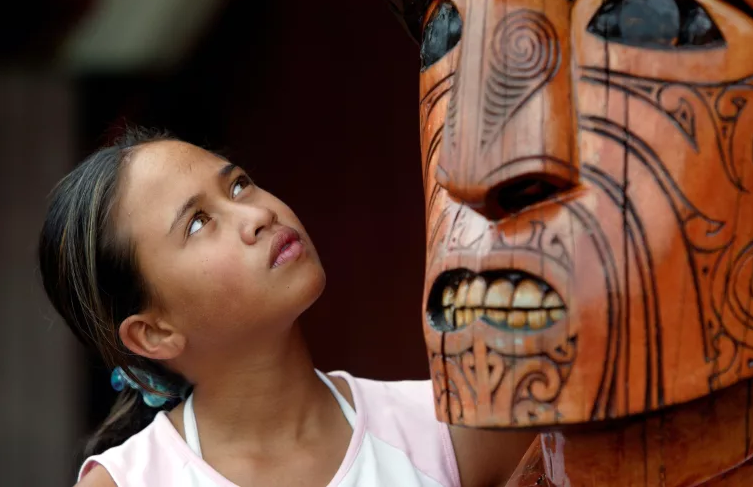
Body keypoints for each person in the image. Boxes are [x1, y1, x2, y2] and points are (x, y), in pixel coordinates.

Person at [38, 127, 534, 487]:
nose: (257, 214)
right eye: (196, 223)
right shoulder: (130, 483)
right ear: (154, 332)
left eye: (238, 184)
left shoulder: (447, 430)